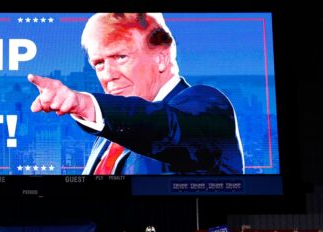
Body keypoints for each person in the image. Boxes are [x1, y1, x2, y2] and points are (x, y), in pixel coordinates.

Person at [28, 12, 244, 175]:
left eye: (121, 57)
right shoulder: (109, 136)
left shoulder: (207, 104)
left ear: (161, 57)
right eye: (99, 63)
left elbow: (167, 128)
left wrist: (84, 104)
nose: (108, 75)